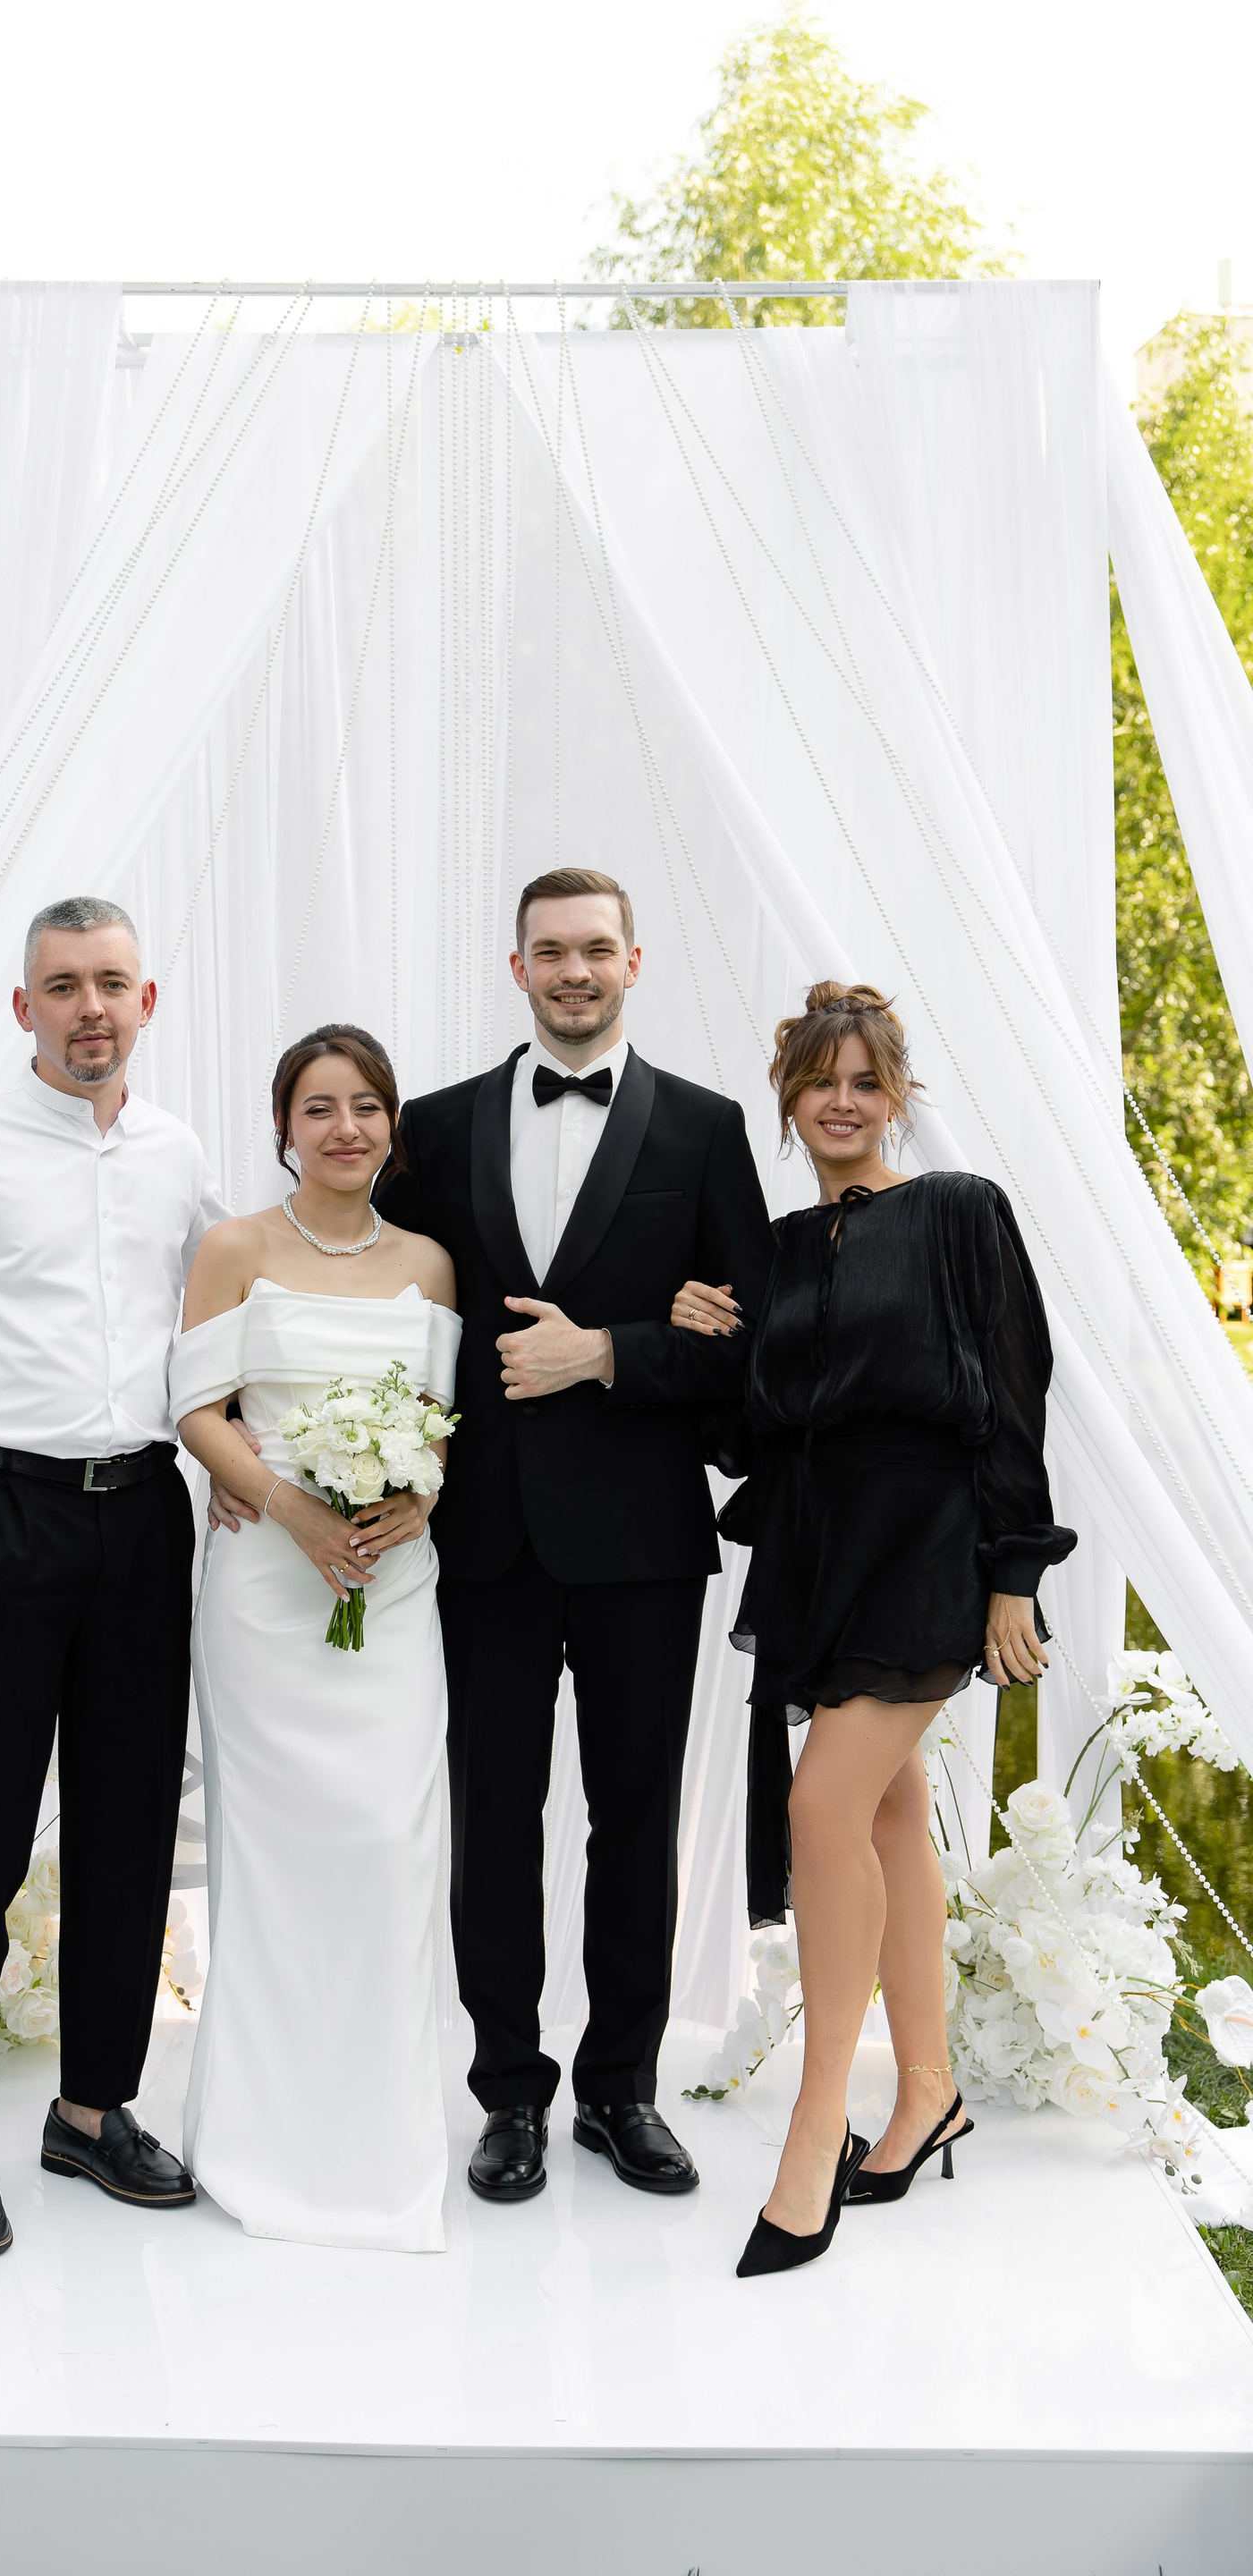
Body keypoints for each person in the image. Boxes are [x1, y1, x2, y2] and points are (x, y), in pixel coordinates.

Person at [375, 869, 773, 2203]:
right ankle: (508, 2092)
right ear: (518, 968)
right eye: (551, 952)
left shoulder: (707, 1129)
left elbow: (753, 1348)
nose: (575, 971)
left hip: (642, 1542)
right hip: (480, 1538)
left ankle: (622, 2089)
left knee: (635, 1822)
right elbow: (391, 1318)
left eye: (597, 948)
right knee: (492, 1822)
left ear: (633, 961)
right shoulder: (434, 1129)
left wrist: (607, 1352)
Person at [669, 981, 1077, 2277]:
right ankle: (929, 2092)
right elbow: (751, 1436)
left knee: (821, 1808)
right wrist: (701, 1338)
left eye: (864, 1081)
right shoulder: (776, 1249)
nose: (840, 1102)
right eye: (818, 1081)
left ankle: (817, 2126)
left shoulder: (960, 1210)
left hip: (930, 1544)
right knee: (887, 1813)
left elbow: (1016, 1390)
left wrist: (1014, 1571)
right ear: (788, 1095)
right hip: (817, 1549)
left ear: (897, 1094)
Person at [0, 894, 228, 2258]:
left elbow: (223, 1323)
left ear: (147, 1003)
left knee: (130, 1830)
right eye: (64, 985)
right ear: (25, 1008)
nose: (90, 1008)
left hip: (142, 1520)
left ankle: (90, 2111)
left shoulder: (178, 1157)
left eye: (112, 983)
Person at [170, 1025, 460, 2250]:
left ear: (392, 1125)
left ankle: (381, 2147)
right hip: (266, 1587)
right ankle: (263, 2143)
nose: (346, 1128)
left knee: (388, 1848)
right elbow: (194, 1406)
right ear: (285, 1127)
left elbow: (436, 1422)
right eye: (320, 1108)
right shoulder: (236, 1247)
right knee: (276, 1859)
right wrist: (290, 1506)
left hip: (387, 1589)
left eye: (367, 1107)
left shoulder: (429, 1261)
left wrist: (416, 1493)